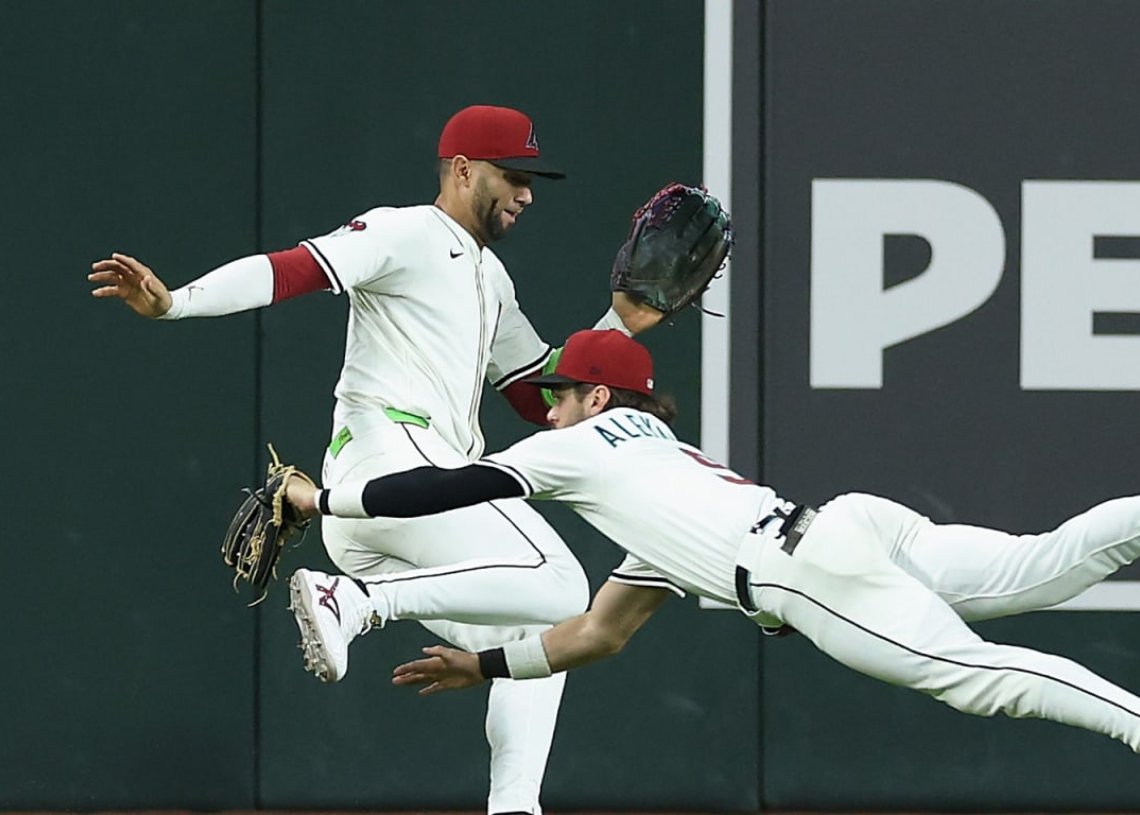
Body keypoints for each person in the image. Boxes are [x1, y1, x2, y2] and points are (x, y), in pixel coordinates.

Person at [88, 105, 664, 815]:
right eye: (513, 174)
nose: (527, 192)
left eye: (531, 178)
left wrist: (619, 327)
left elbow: (538, 397)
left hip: (391, 511)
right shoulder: (406, 231)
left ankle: (514, 806)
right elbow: (293, 271)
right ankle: (353, 601)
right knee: (564, 584)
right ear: (461, 169)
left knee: (544, 638)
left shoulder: (492, 279)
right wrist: (177, 302)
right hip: (393, 459)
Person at [283, 328, 1140, 754]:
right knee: (1045, 559)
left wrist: (327, 500)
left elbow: (455, 482)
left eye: (561, 392)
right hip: (847, 527)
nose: (547, 408)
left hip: (808, 573)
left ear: (597, 398)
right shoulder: (657, 466)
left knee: (978, 677)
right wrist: (485, 665)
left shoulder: (581, 447)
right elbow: (598, 632)